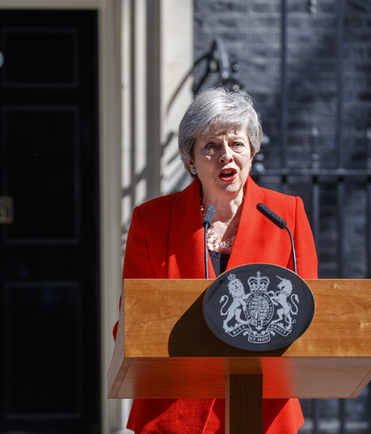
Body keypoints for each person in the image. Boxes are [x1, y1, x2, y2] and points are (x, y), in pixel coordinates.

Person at [117, 87, 318, 434]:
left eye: (236, 144)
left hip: (263, 413)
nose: (226, 155)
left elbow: (310, 318)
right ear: (190, 159)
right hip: (174, 414)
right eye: (210, 146)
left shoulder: (287, 216)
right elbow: (131, 324)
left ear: (252, 151)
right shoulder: (152, 220)